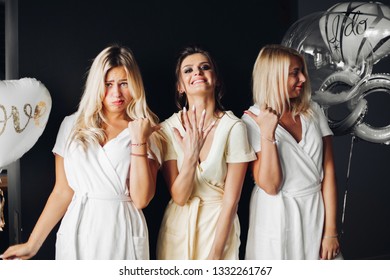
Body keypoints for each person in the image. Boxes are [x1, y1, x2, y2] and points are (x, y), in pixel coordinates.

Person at [1, 44, 162, 260]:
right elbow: (62, 192)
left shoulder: (147, 130)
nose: (116, 93)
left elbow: (141, 199)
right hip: (78, 226)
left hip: (122, 229)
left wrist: (138, 141)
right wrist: (32, 244)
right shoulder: (71, 125)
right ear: (97, 85)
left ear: (135, 85)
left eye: (124, 84)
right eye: (108, 84)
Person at [156, 46, 256, 260]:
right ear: (180, 87)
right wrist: (191, 157)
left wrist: (216, 254)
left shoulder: (233, 127)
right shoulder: (167, 129)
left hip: (218, 228)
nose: (197, 73)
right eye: (188, 70)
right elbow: (180, 197)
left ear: (216, 79)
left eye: (204, 67)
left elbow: (232, 199)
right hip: (178, 229)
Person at [242, 44, 341, 260]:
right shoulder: (251, 120)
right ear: (273, 76)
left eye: (302, 71)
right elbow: (270, 185)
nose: (304, 79)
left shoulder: (313, 111)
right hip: (276, 216)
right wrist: (267, 134)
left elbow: (329, 172)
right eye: (294, 73)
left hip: (315, 210)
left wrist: (331, 231)